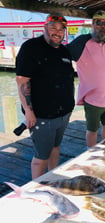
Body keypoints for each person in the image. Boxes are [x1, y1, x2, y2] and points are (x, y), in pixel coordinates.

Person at [15, 13, 75, 179]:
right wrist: (28, 111)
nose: (57, 31)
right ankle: (36, 189)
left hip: (64, 113)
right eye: (53, 27)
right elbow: (22, 80)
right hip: (42, 115)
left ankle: (51, 179)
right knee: (41, 155)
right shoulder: (31, 47)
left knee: (56, 148)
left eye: (61, 29)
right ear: (45, 27)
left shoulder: (64, 50)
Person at [67, 10, 105, 147]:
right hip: (92, 100)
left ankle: (104, 152)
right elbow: (60, 56)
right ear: (92, 24)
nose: (102, 26)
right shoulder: (82, 42)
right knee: (92, 131)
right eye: (98, 22)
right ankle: (90, 155)